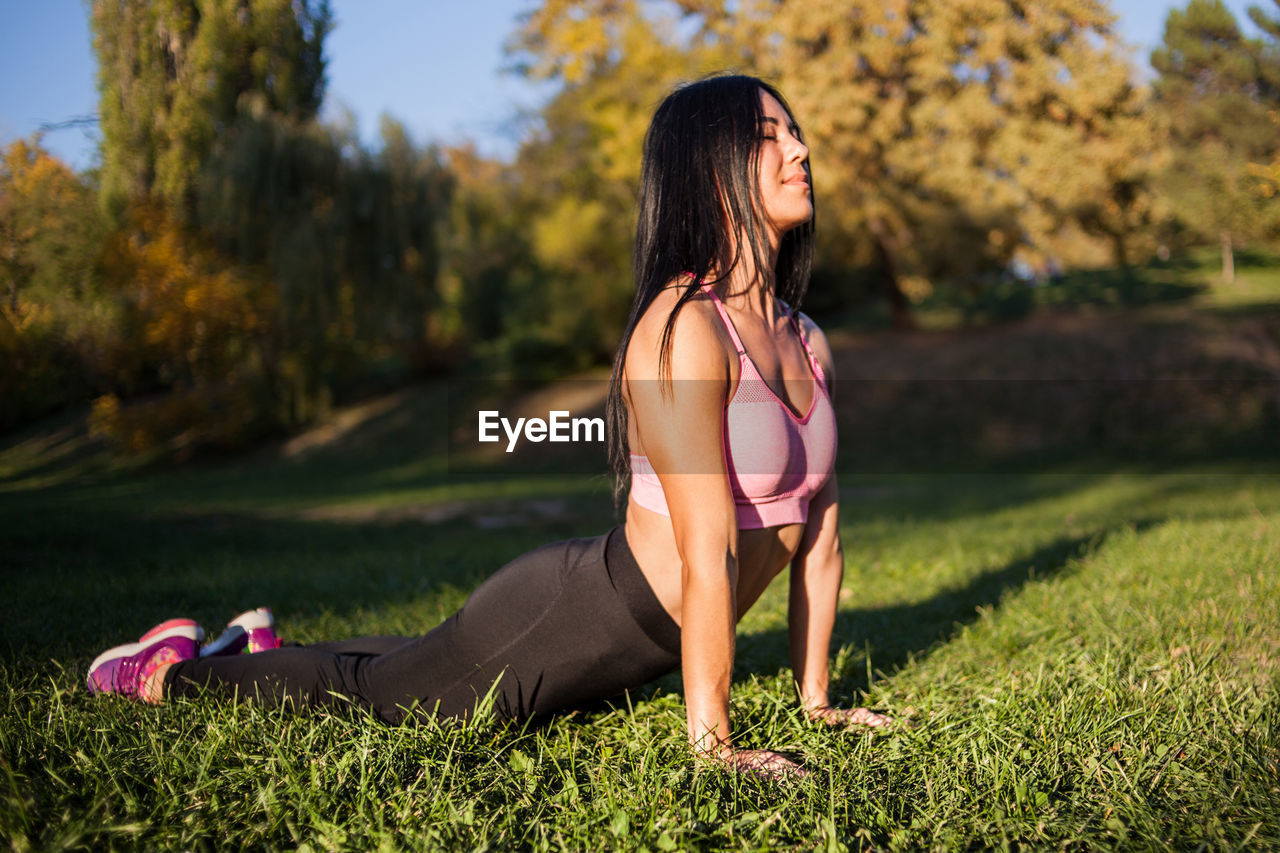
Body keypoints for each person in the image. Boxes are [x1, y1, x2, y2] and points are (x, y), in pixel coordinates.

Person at [85, 74, 890, 779]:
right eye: (767, 137)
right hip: (591, 611)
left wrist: (815, 701)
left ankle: (254, 648)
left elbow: (820, 537)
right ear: (707, 173)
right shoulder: (684, 329)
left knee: (415, 660)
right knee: (386, 698)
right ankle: (166, 673)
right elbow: (705, 549)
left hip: (633, 639)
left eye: (795, 131)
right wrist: (713, 744)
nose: (801, 149)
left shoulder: (806, 338)